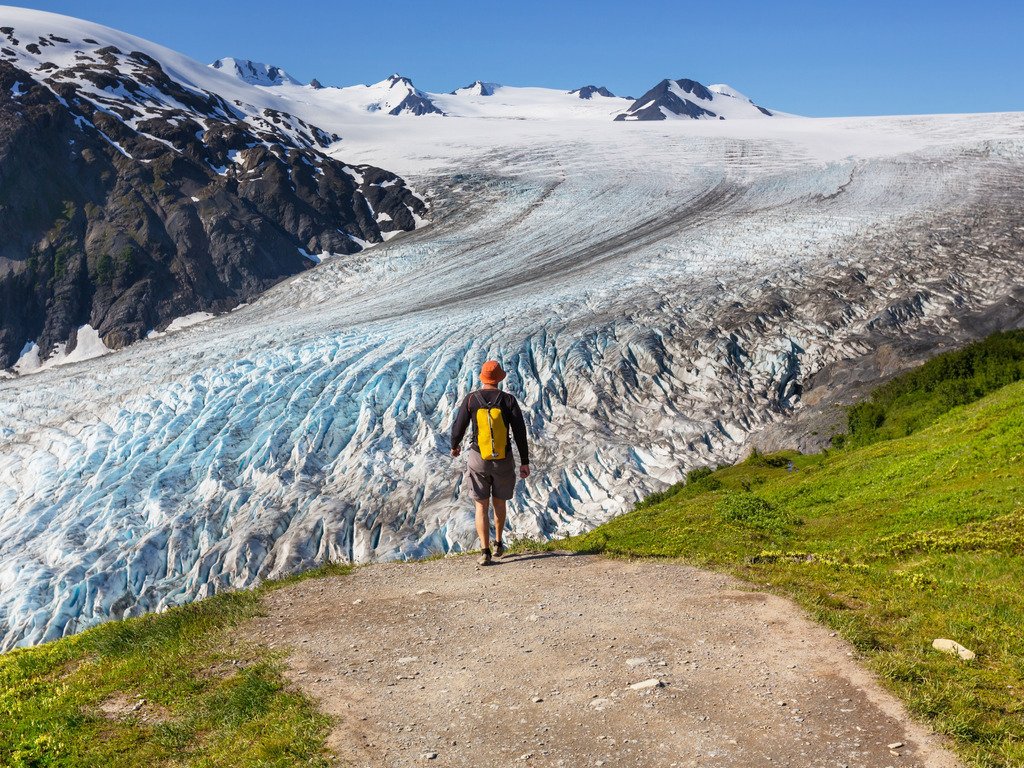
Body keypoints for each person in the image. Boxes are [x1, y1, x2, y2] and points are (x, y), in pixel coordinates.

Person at [450, 360, 530, 565]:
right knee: (499, 502)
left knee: (480, 506)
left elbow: (459, 426)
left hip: (479, 459)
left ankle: (484, 551)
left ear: (483, 378)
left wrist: (455, 445)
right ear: (499, 379)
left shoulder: (471, 399)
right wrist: (524, 461)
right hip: (503, 459)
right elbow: (520, 432)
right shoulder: (508, 400)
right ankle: (498, 543)